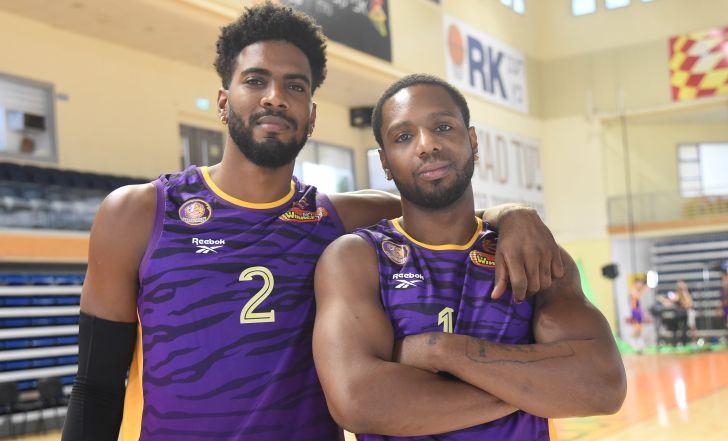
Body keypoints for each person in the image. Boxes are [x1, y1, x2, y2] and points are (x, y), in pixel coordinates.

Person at [60, 4, 564, 441]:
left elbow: (443, 207)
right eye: (255, 80)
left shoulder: (342, 220)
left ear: (312, 114)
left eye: (294, 86)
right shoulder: (139, 213)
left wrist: (514, 215)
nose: (275, 97)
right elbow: (96, 387)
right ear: (223, 102)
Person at [313, 74, 626, 440]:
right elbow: (359, 404)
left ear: (472, 140)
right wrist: (535, 390)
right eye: (404, 137)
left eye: (442, 127)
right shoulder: (357, 258)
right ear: (385, 162)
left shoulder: (532, 253)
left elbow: (603, 386)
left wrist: (441, 350)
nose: (427, 145)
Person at [629, 276, 648, 351]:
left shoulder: (637, 290)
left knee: (640, 328)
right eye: (639, 283)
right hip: (635, 311)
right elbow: (637, 296)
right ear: (636, 283)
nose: (640, 285)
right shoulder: (632, 289)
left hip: (638, 311)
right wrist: (645, 290)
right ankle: (632, 342)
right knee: (636, 328)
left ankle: (638, 343)